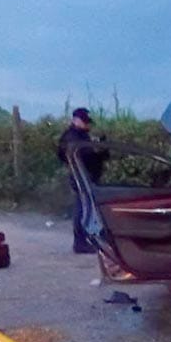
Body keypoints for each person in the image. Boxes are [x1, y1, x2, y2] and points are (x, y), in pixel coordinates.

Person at [57, 108, 108, 254]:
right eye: (85, 122)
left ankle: (91, 238)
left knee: (89, 208)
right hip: (81, 177)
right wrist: (95, 149)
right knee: (82, 208)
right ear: (75, 120)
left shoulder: (82, 136)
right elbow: (75, 154)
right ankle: (80, 242)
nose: (87, 125)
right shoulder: (71, 137)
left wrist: (100, 148)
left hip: (88, 176)